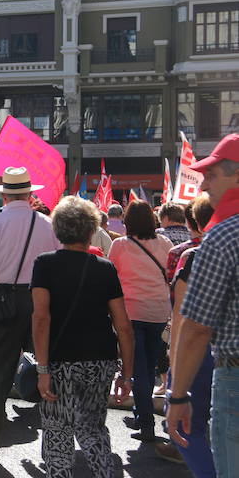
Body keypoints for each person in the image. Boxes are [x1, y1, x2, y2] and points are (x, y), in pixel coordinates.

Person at [31, 196, 135, 478]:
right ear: (91, 230)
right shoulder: (104, 268)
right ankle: (104, 474)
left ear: (58, 229)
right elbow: (123, 325)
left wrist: (41, 368)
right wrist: (127, 374)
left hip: (59, 360)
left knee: (58, 431)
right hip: (100, 359)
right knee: (93, 427)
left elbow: (41, 318)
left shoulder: (44, 264)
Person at [0, 167, 59, 458]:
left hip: (2, 302)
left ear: (4, 194)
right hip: (40, 301)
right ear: (30, 194)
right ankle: (56, 440)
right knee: (49, 366)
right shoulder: (47, 224)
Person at [168, 133, 239, 476]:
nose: (204, 181)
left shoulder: (223, 236)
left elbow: (196, 327)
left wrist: (178, 395)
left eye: (213, 174)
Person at [156, 195, 215, 471]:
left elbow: (182, 319)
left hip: (199, 352)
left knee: (184, 425)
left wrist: (175, 383)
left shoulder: (189, 257)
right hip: (221, 353)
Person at [108, 200, 173, 441]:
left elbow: (110, 277)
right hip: (158, 311)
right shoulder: (165, 243)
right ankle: (141, 414)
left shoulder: (119, 246)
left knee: (139, 368)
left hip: (130, 313)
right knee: (148, 366)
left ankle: (146, 423)